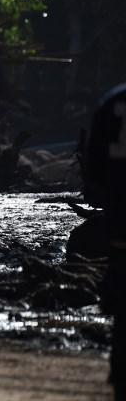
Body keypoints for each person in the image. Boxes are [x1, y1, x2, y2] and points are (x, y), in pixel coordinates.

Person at [83, 83, 126, 399]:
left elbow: (94, 162)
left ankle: (120, 360)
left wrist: (102, 191)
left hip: (121, 209)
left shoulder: (112, 101)